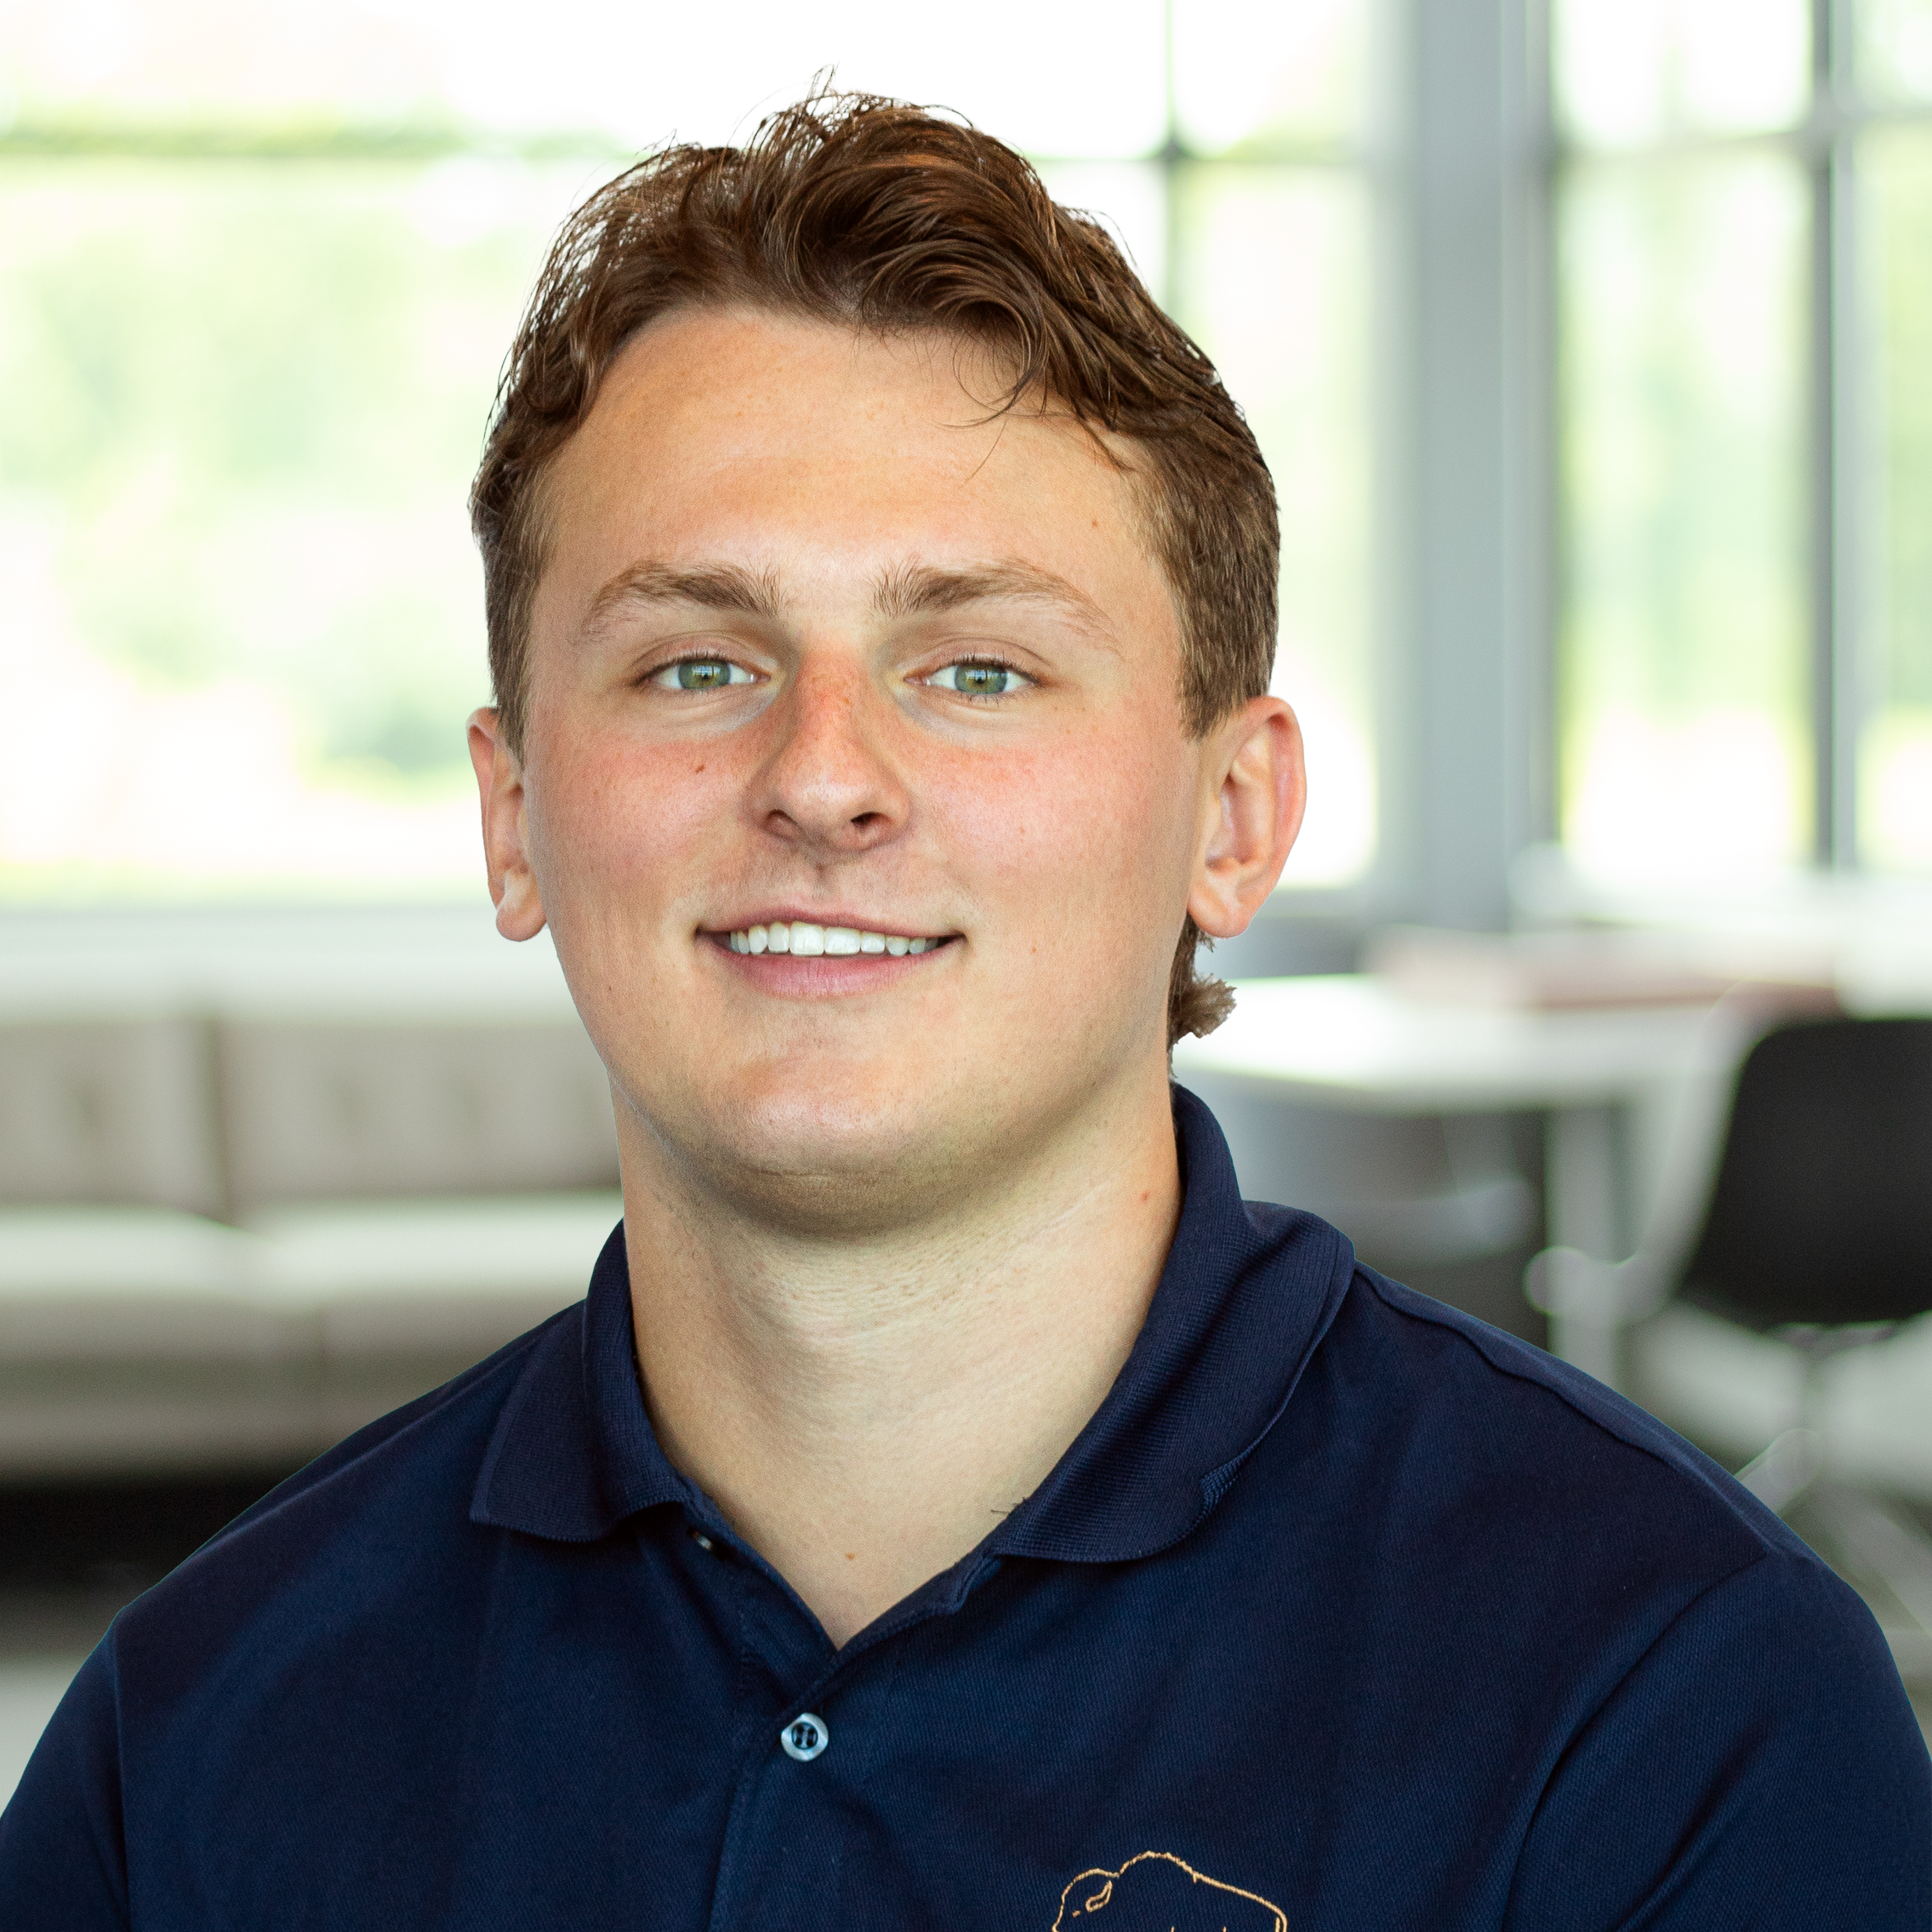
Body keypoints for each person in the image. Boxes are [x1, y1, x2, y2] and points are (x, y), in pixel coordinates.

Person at [1, 91, 1924, 1930]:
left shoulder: (1674, 1707)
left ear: (1230, 820)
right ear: (515, 820)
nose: (824, 776)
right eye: (692, 663)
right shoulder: (192, 1736)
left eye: (979, 667)